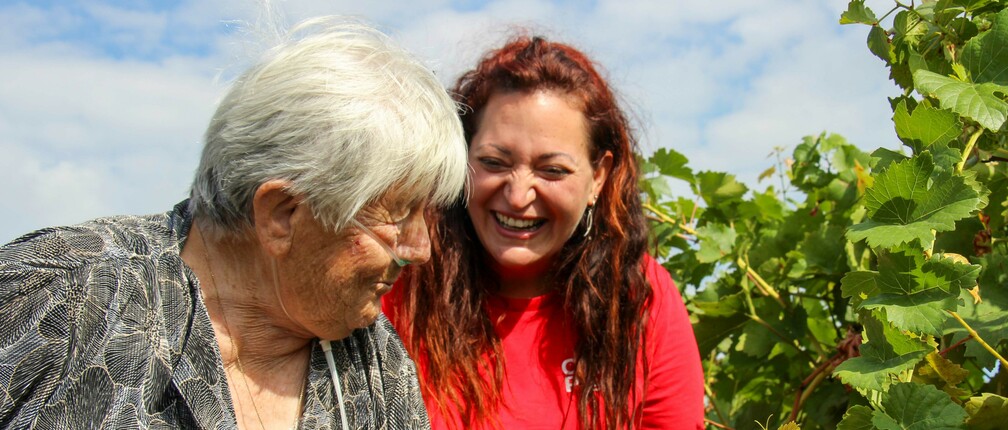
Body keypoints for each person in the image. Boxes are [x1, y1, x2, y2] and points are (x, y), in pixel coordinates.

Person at [0, 16, 467, 429]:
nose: (421, 249)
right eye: (398, 215)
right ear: (281, 215)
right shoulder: (67, 293)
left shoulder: (376, 366)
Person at [382, 36, 705, 429]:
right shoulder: (398, 288)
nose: (518, 197)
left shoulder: (639, 299)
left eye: (552, 170)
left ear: (597, 179)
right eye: (494, 162)